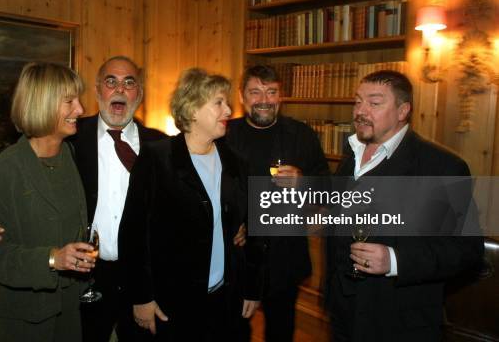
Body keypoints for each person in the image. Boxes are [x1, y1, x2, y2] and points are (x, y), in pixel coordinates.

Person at [0, 56, 165, 341]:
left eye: (129, 82)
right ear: (98, 90)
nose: (119, 89)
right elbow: (9, 185)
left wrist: (239, 222)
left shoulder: (160, 145)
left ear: (140, 93)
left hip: (137, 279)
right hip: (83, 286)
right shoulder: (74, 140)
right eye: (111, 81)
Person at [326, 70, 484, 342]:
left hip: (399, 324)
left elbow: (468, 250)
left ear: (403, 111)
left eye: (374, 103)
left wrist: (395, 261)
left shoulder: (442, 167)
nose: (361, 111)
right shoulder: (351, 155)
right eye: (357, 101)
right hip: (344, 313)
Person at [119, 68, 263, 341]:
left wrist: (252, 288)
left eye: (227, 103)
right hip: (172, 304)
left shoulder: (236, 162)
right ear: (193, 109)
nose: (229, 110)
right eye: (219, 103)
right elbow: (133, 234)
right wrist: (141, 298)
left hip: (225, 301)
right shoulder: (157, 159)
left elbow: (253, 228)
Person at [0, 62, 95, 341]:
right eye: (69, 101)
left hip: (68, 307)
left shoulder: (70, 155)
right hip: (23, 314)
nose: (80, 109)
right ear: (43, 104)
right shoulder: (5, 169)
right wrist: (53, 258)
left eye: (78, 100)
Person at [225, 64, 330, 342]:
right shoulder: (224, 134)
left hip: (283, 255)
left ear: (280, 97)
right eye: (255, 92)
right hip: (236, 255)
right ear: (241, 95)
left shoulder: (301, 135)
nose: (264, 100)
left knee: (281, 331)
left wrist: (303, 180)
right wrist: (231, 224)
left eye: (271, 92)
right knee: (234, 331)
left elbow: (327, 189)